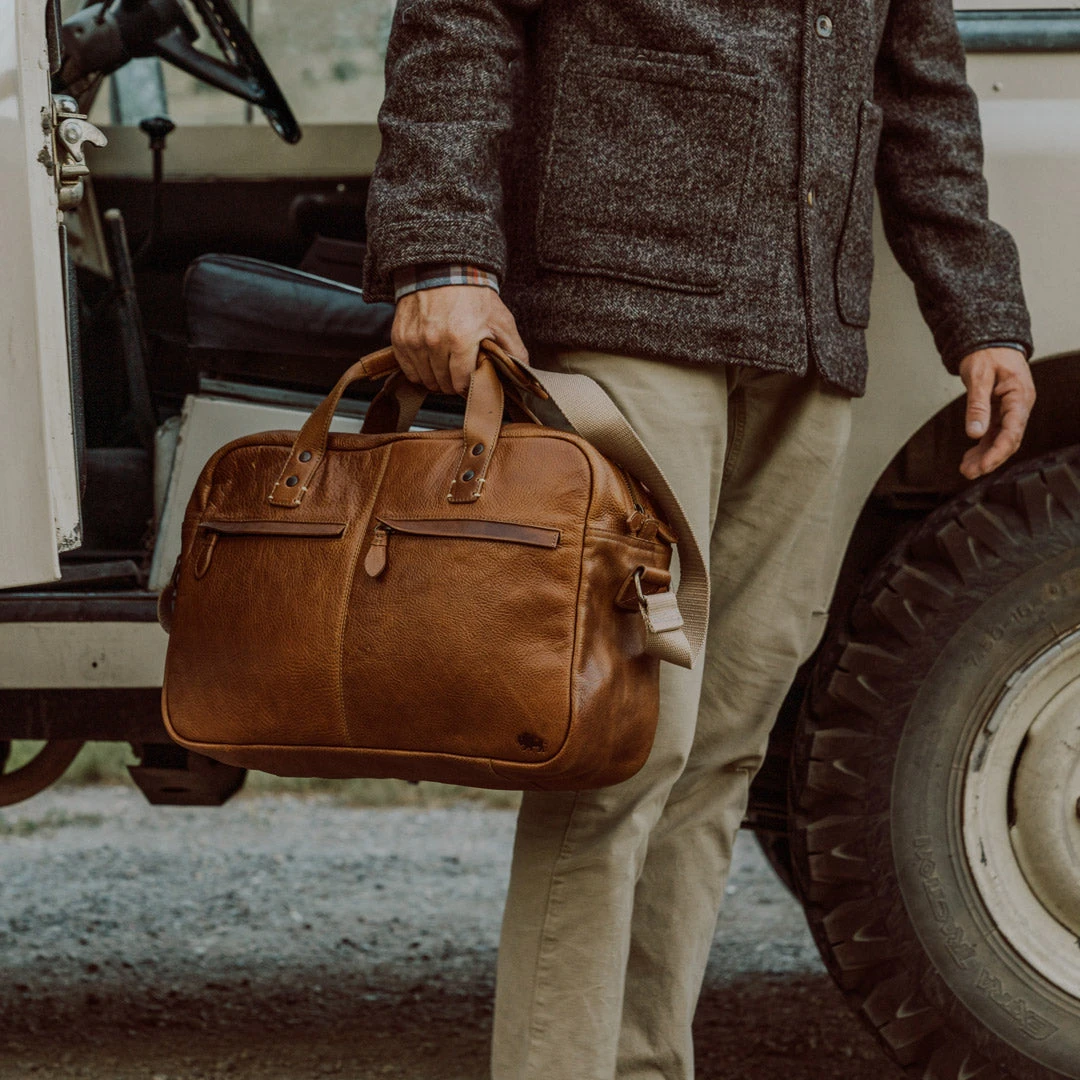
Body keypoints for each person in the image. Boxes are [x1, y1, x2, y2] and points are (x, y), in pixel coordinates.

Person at [362, 2, 1037, 1077]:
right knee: (624, 744)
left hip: (807, 333)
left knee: (722, 745)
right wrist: (442, 251)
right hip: (625, 307)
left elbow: (918, 82)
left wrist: (981, 310)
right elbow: (461, 14)